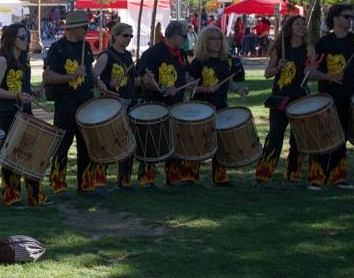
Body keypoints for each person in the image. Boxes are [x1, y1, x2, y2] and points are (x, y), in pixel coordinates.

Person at [306, 3, 354, 190]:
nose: (350, 20)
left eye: (351, 17)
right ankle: (316, 176)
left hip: (350, 93)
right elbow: (310, 73)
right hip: (328, 95)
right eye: (346, 16)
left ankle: (338, 176)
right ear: (335, 18)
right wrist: (328, 76)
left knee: (342, 135)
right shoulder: (323, 43)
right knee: (324, 135)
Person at [41, 12, 104, 196]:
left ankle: (86, 184)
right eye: (84, 27)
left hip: (85, 100)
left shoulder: (85, 46)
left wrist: (97, 81)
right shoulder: (57, 48)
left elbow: (89, 69)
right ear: (73, 28)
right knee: (63, 144)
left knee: (86, 143)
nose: (87, 30)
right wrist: (72, 76)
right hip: (66, 102)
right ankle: (58, 184)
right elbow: (48, 76)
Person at [182, 26, 249, 186]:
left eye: (219, 39)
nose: (217, 42)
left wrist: (238, 90)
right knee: (198, 141)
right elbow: (189, 86)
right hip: (201, 107)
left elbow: (229, 82)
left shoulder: (226, 59)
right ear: (205, 41)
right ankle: (190, 177)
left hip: (221, 105)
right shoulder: (198, 62)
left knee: (220, 142)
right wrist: (205, 88)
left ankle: (220, 177)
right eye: (213, 39)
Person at [0, 23, 48, 205]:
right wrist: (16, 96)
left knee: (30, 151)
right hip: (7, 112)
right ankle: (11, 196)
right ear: (11, 38)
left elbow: (23, 87)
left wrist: (33, 91)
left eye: (27, 37)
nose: (26, 41)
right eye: (22, 37)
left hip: (25, 110)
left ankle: (35, 196)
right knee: (12, 154)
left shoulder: (25, 60)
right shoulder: (2, 60)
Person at [255, 15, 312, 185]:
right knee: (275, 136)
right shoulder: (280, 48)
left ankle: (293, 175)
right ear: (290, 27)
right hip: (281, 97)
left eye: (303, 24)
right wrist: (278, 67)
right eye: (298, 24)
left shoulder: (309, 48)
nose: (301, 27)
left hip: (300, 98)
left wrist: (313, 69)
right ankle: (263, 174)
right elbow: (267, 73)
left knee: (298, 138)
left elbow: (312, 73)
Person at [134, 20, 192, 186]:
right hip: (155, 104)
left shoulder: (180, 53)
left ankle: (173, 177)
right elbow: (145, 79)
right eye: (183, 36)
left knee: (174, 139)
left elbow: (184, 74)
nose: (185, 40)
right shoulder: (152, 53)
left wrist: (190, 81)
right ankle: (146, 179)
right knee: (152, 141)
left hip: (176, 103)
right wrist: (163, 88)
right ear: (173, 36)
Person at [94, 22, 136, 190]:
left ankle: (124, 180)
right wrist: (108, 83)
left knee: (127, 142)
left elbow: (132, 82)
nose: (128, 39)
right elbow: (93, 79)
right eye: (125, 35)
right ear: (115, 35)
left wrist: (145, 80)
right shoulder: (106, 55)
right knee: (108, 142)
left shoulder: (127, 56)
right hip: (111, 104)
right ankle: (99, 181)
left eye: (131, 36)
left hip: (128, 102)